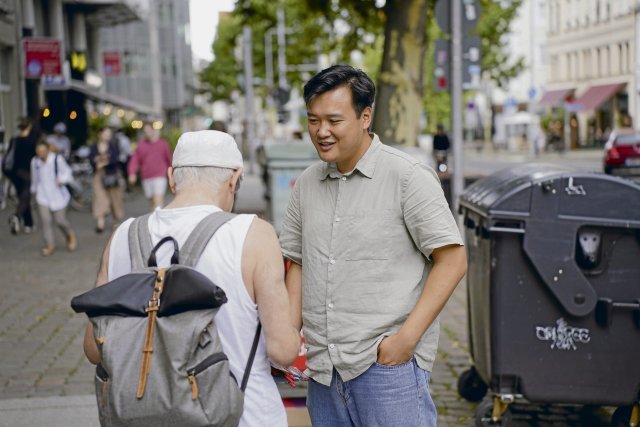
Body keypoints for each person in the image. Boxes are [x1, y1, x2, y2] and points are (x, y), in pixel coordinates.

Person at [279, 65, 468, 427]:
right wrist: (290, 338)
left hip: (386, 370)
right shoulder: (306, 184)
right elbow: (298, 264)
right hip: (324, 372)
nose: (322, 132)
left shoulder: (408, 177)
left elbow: (453, 260)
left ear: (365, 117)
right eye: (313, 120)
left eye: (334, 120)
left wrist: (405, 341)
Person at [83, 130, 301, 426]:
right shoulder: (254, 234)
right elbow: (283, 351)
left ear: (172, 177)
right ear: (235, 178)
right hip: (244, 416)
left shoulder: (124, 235)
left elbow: (95, 349)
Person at [30, 140, 77, 256]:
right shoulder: (35, 162)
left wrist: (61, 180)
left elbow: (68, 172)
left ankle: (69, 234)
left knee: (60, 220)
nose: (41, 153)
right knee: (45, 221)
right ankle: (50, 244)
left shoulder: (57, 159)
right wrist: (33, 193)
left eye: (43, 151)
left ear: (48, 150)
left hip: (58, 195)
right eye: (39, 151)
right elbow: (35, 179)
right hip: (42, 196)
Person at [5, 117, 39, 234]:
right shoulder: (32, 140)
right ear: (29, 127)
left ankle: (28, 223)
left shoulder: (14, 140)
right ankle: (17, 216)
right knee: (25, 197)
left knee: (23, 198)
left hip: (14, 173)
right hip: (26, 173)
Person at [127, 122, 172, 210]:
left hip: (160, 175)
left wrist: (172, 174)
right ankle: (155, 217)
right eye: (145, 131)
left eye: (149, 130)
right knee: (152, 202)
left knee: (158, 201)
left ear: (153, 130)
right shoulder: (141, 145)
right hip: (146, 177)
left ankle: (158, 221)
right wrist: (132, 173)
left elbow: (169, 159)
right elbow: (135, 160)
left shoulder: (163, 144)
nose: (147, 133)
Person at [90, 127, 124, 233]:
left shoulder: (113, 146)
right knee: (100, 198)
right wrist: (97, 164)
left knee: (114, 199)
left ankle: (116, 221)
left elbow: (116, 159)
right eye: (106, 133)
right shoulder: (94, 147)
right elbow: (91, 159)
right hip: (98, 176)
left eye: (109, 133)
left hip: (111, 175)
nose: (108, 135)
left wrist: (104, 163)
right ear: (100, 134)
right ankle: (100, 223)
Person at [114, 128, 132, 192]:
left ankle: (126, 186)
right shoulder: (125, 139)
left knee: (123, 173)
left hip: (119, 159)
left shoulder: (115, 139)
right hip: (124, 158)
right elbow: (128, 150)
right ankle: (127, 186)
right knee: (126, 173)